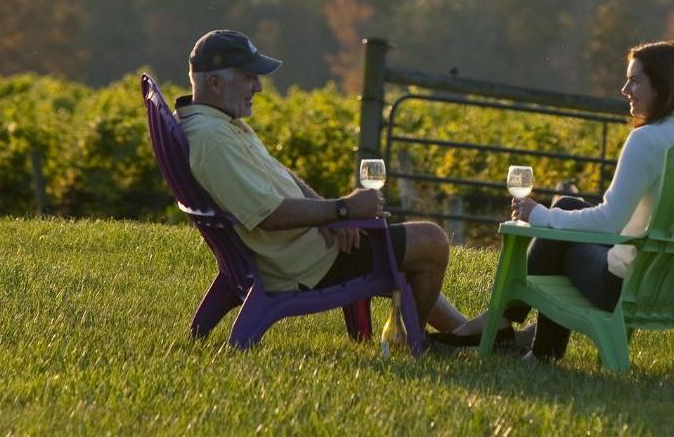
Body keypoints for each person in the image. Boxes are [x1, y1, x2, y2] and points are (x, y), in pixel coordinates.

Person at [431, 40, 674, 361]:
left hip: (629, 287)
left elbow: (608, 222)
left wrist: (538, 215)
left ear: (665, 85)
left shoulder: (648, 139)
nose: (625, 89)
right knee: (568, 205)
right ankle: (534, 347)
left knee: (560, 227)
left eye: (635, 80)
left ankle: (504, 329)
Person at [175, 29, 467, 337]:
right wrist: (343, 210)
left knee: (413, 250)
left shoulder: (220, 124)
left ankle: (464, 333)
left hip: (310, 245)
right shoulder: (215, 140)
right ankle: (417, 340)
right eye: (249, 77)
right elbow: (270, 216)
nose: (258, 86)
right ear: (215, 83)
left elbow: (281, 175)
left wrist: (334, 214)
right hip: (307, 264)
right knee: (431, 241)